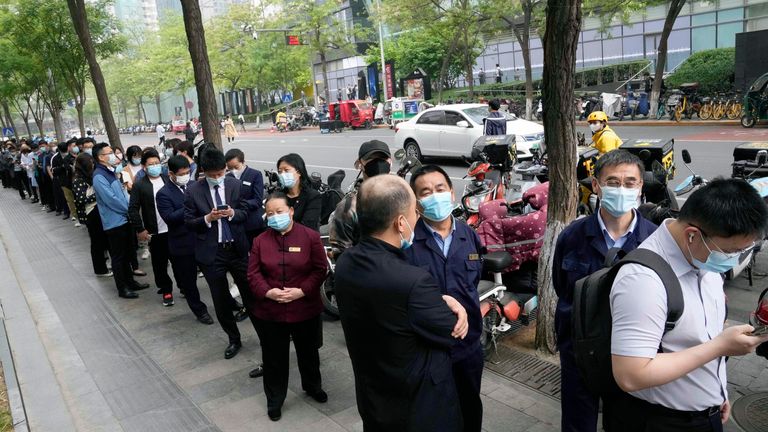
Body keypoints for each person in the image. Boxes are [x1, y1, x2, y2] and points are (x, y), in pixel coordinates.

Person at [607, 178, 768, 432]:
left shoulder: (701, 258)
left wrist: (717, 391)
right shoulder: (643, 281)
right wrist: (720, 347)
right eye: (731, 251)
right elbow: (630, 375)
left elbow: (698, 335)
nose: (734, 258)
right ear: (692, 235)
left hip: (706, 411)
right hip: (662, 422)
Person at [335, 175, 467, 431]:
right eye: (414, 212)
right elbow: (451, 330)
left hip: (374, 400)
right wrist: (452, 304)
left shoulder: (346, 263)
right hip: (419, 407)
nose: (418, 218)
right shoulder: (413, 281)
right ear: (400, 222)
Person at [552, 150, 657, 432]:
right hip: (580, 354)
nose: (621, 189)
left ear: (640, 187)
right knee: (577, 423)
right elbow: (561, 287)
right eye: (612, 181)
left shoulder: (654, 240)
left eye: (629, 182)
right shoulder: (571, 237)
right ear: (596, 185)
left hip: (632, 356)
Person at [405, 165, 485, 432]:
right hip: (429, 349)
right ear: (416, 203)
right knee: (435, 415)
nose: (434, 196)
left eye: (440, 189)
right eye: (425, 192)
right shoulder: (407, 243)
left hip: (469, 345)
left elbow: (472, 282)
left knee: (470, 405)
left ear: (451, 194)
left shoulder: (469, 235)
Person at [247, 192, 329, 422]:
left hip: (305, 308)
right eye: (270, 213)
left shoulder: (310, 237)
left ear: (291, 211)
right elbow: (253, 274)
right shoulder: (260, 241)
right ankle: (275, 399)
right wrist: (268, 292)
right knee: (274, 358)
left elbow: (319, 270)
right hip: (270, 311)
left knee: (309, 352)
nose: (275, 217)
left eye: (280, 212)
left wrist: (302, 291)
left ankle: (313, 386)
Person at [184, 148, 256, 360]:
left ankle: (265, 332)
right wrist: (207, 218)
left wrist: (233, 213)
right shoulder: (193, 191)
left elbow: (246, 211)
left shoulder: (235, 184)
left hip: (237, 249)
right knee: (221, 299)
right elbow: (189, 222)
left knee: (250, 293)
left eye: (220, 173)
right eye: (212, 175)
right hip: (212, 254)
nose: (217, 178)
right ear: (203, 171)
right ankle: (234, 339)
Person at [156, 156, 213, 324]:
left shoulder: (196, 185)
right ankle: (200, 311)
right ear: (171, 173)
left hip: (202, 239)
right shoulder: (163, 194)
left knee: (214, 276)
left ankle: (227, 302)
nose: (186, 175)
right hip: (181, 245)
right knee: (189, 283)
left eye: (188, 172)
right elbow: (170, 217)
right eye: (182, 173)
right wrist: (190, 203)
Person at [92, 143, 149, 299]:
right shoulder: (99, 176)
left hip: (124, 219)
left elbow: (122, 193)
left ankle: (130, 282)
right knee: (118, 257)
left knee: (128, 253)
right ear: (100, 157)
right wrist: (129, 209)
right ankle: (122, 288)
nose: (113, 155)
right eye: (109, 153)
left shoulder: (110, 172)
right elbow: (111, 200)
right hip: (114, 222)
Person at [128, 149, 176, 307]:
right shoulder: (140, 185)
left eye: (157, 163)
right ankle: (166, 289)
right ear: (144, 167)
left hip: (173, 229)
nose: (155, 166)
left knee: (179, 261)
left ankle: (184, 286)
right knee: (159, 264)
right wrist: (140, 229)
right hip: (155, 232)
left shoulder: (168, 180)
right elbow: (133, 209)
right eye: (151, 164)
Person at [328, 140, 392, 255]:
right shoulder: (348, 207)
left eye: (382, 159)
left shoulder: (402, 195)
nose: (378, 163)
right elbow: (341, 251)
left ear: (390, 162)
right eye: (371, 159)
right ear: (359, 164)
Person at [72, 152, 111, 278]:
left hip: (98, 211)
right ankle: (100, 269)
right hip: (90, 214)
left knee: (102, 240)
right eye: (90, 163)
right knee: (96, 243)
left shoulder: (89, 176)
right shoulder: (78, 179)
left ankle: (106, 264)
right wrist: (99, 194)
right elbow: (81, 199)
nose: (92, 165)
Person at [225, 149, 264, 243]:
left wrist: (241, 203)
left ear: (243, 162)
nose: (234, 170)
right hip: (236, 222)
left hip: (252, 221)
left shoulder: (255, 174)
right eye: (230, 168)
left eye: (236, 167)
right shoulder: (228, 177)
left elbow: (258, 200)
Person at [275, 153, 321, 231]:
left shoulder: (312, 196)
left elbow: (308, 226)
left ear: (299, 172)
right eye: (280, 172)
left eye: (286, 170)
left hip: (303, 240)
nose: (282, 174)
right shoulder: (277, 196)